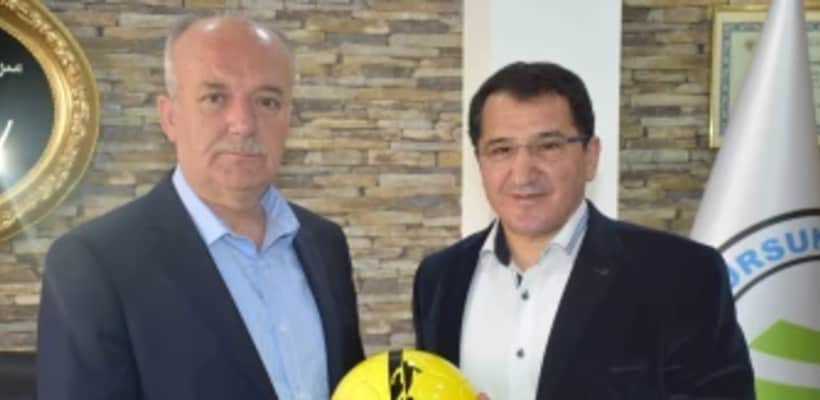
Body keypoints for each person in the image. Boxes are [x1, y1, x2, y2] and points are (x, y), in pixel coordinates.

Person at [37, 16, 364, 400]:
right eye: (215, 98)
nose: (243, 124)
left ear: (288, 118)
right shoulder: (93, 264)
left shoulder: (325, 244)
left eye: (267, 101)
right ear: (169, 117)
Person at [413, 61, 754, 399]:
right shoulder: (439, 278)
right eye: (501, 150)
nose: (523, 173)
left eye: (548, 146)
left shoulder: (681, 274)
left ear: (590, 156)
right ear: (480, 163)